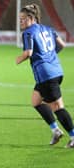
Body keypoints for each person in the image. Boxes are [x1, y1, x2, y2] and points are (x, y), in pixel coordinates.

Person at [16, 4, 74, 147]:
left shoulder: (28, 33)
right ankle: (55, 130)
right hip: (56, 71)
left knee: (58, 107)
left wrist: (18, 59)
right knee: (36, 101)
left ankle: (73, 136)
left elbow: (28, 53)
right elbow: (61, 45)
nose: (21, 22)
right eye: (20, 19)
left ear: (31, 18)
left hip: (46, 74)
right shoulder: (48, 29)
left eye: (23, 19)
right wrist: (49, 56)